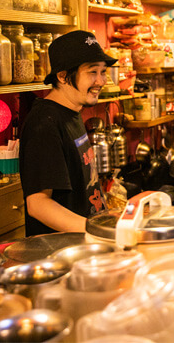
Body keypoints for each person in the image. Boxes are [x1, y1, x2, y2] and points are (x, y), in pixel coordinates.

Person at [20, 30, 117, 236]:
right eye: (92, 72)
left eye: (103, 72)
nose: (101, 81)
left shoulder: (71, 112)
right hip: (59, 254)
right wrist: (97, 230)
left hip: (85, 245)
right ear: (63, 76)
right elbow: (37, 204)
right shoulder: (44, 124)